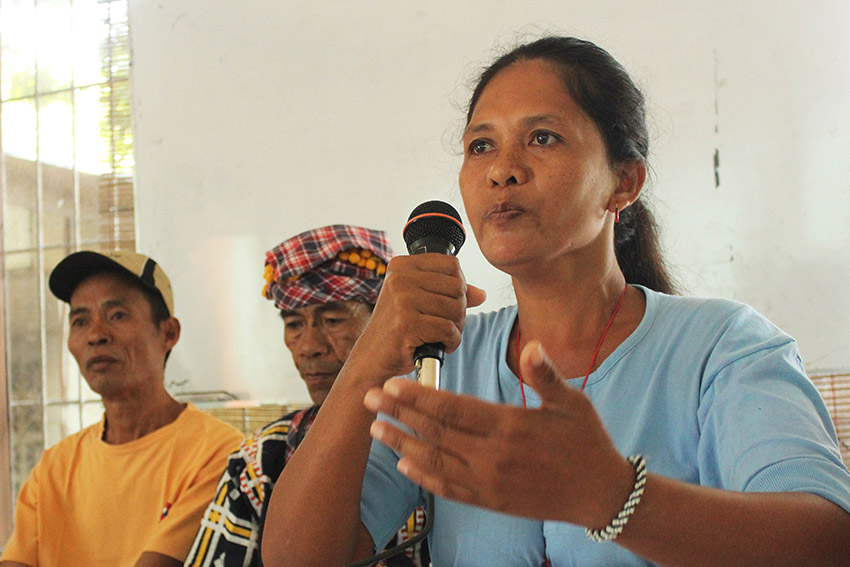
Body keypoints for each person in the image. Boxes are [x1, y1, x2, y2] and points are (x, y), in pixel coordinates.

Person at [261, 36, 850, 567]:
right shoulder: (445, 364)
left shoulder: (722, 347)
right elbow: (298, 557)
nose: (502, 171)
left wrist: (613, 497)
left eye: (542, 138)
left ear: (624, 182)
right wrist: (370, 354)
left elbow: (829, 541)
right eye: (481, 145)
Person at [183, 225, 429, 567]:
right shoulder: (263, 460)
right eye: (294, 325)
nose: (309, 347)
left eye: (331, 319)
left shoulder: (432, 441)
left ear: (383, 322)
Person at [0, 250, 244, 567]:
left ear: (169, 333)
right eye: (80, 321)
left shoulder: (219, 453)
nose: (96, 335)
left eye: (117, 315)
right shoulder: (54, 469)